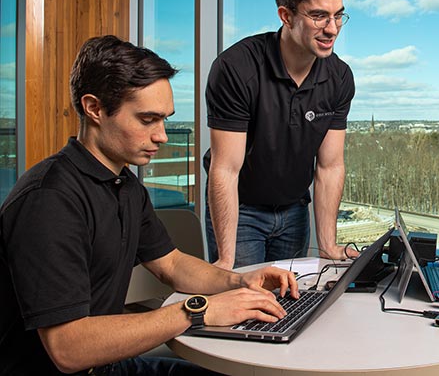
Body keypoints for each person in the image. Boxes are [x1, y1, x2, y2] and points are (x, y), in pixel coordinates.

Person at [0, 35, 299, 376]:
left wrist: (241, 282)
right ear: (94, 108)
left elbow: (171, 265)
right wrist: (198, 311)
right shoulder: (49, 200)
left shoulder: (125, 185)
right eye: (147, 120)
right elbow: (67, 348)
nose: (162, 136)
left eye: (165, 120)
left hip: (107, 366)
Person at [204, 0, 355, 269]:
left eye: (338, 15)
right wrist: (226, 260)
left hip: (294, 211)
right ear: (286, 16)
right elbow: (225, 170)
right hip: (242, 211)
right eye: (319, 16)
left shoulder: (339, 77)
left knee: (289, 306)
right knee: (242, 302)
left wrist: (327, 245)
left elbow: (329, 166)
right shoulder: (236, 68)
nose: (332, 29)